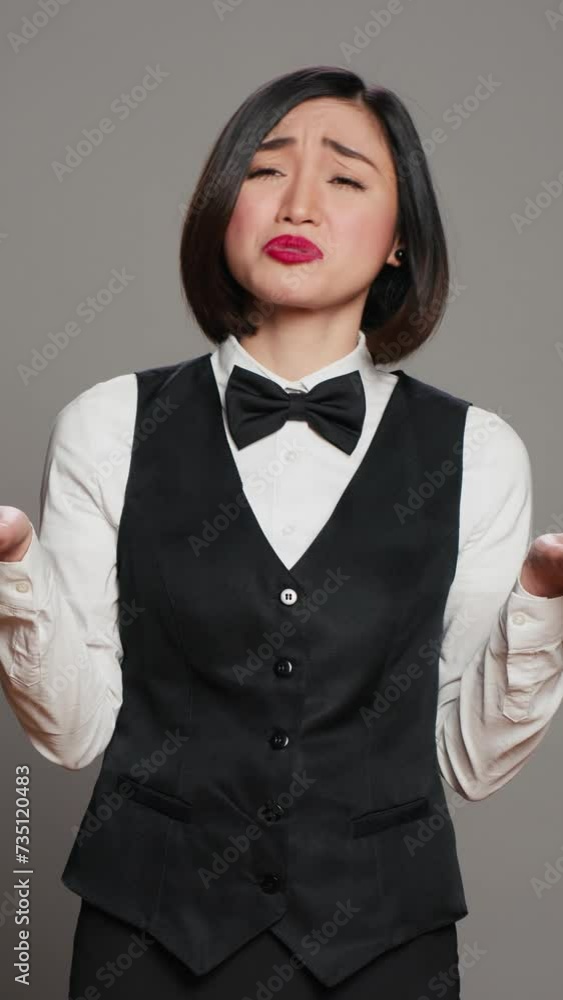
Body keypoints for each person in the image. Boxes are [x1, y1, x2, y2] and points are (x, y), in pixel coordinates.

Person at [1, 65, 563, 999]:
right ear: (222, 205)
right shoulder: (106, 424)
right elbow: (74, 733)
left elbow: (466, 761)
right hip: (147, 940)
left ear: (400, 238)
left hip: (384, 948)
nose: (297, 202)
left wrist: (540, 612)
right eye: (264, 171)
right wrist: (16, 577)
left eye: (344, 178)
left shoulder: (476, 450)